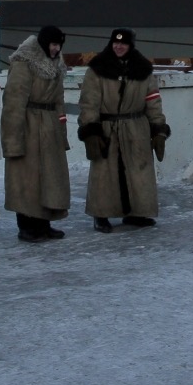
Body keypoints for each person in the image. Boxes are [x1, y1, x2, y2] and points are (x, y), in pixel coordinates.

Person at [76, 27, 171, 232]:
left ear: (130, 45)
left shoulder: (143, 69)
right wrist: (91, 131)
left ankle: (137, 213)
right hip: (107, 128)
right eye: (116, 43)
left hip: (136, 129)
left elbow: (153, 101)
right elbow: (89, 102)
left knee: (139, 173)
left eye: (123, 43)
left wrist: (158, 130)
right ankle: (101, 215)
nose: (119, 46)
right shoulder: (97, 69)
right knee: (104, 174)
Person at [2, 25, 72, 242]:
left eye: (59, 45)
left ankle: (44, 223)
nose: (56, 49)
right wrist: (13, 141)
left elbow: (59, 101)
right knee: (27, 179)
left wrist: (61, 133)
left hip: (49, 128)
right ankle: (26, 227)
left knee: (48, 179)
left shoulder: (57, 65)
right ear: (43, 43)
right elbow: (13, 103)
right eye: (53, 44)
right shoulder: (24, 63)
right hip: (29, 126)